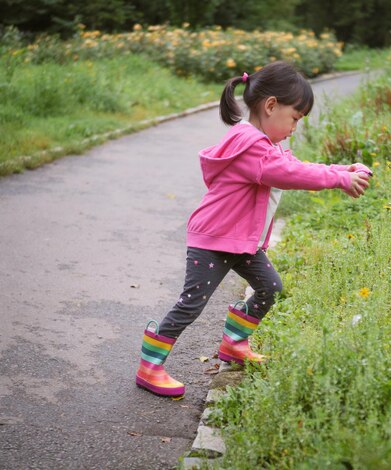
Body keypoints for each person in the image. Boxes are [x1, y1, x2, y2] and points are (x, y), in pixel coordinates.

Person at [135, 61, 372, 397]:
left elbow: (292, 166)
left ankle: (234, 344)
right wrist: (339, 179)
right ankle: (150, 366)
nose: (294, 128)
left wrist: (340, 169)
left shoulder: (265, 145)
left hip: (241, 242)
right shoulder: (250, 145)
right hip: (214, 241)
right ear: (271, 105)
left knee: (270, 287)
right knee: (191, 304)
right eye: (295, 118)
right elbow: (289, 175)